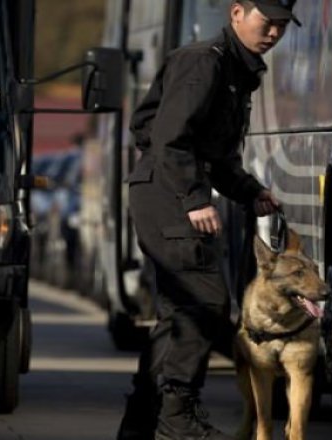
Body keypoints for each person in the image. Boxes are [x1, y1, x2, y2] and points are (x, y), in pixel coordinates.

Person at [116, 1, 299, 439]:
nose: (273, 32)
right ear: (237, 13)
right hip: (167, 194)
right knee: (204, 302)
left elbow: (212, 152)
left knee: (179, 310)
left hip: (168, 189)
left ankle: (143, 422)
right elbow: (170, 138)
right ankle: (177, 417)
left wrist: (250, 191)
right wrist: (195, 199)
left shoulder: (237, 69)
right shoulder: (204, 62)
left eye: (281, 25)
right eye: (265, 21)